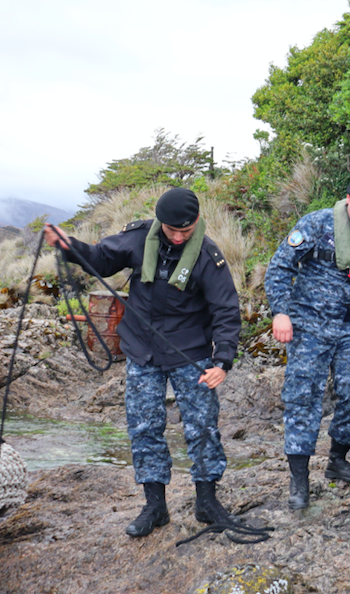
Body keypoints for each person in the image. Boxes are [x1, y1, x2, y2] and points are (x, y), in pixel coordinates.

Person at [43, 187, 242, 537]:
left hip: (190, 352)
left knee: (202, 428)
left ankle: (207, 501)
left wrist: (222, 361)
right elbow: (101, 258)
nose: (178, 237)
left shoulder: (208, 257)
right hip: (141, 350)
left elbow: (226, 310)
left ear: (197, 221)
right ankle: (155, 506)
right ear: (159, 222)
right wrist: (68, 245)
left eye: (185, 230)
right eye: (172, 230)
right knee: (144, 428)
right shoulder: (137, 238)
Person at [264, 173, 350, 510]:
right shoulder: (316, 225)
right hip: (308, 325)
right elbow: (280, 268)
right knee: (303, 397)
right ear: (349, 199)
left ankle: (337, 459)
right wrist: (280, 312)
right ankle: (299, 479)